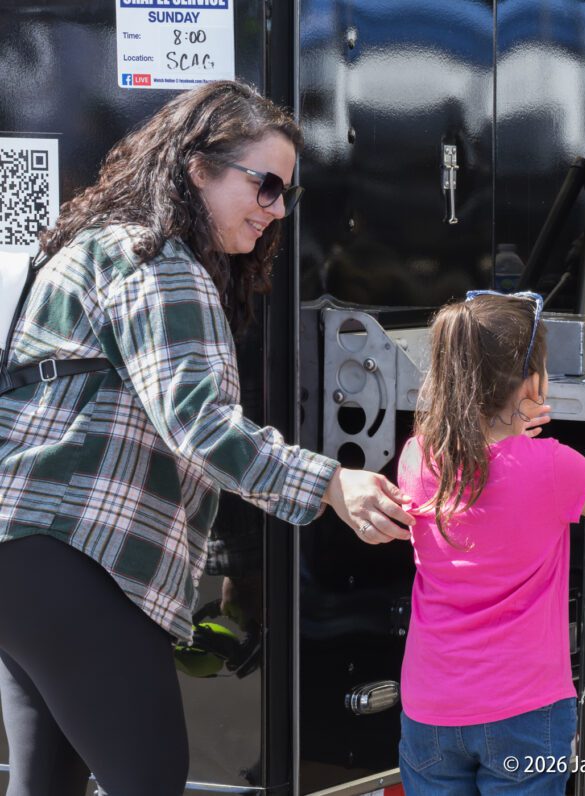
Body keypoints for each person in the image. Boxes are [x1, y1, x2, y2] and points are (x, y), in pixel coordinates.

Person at [0, 80, 415, 796]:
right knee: (150, 779)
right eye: (264, 185)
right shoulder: (158, 263)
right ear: (197, 167)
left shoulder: (101, 246)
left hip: (25, 554)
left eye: (286, 194)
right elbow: (198, 424)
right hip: (67, 553)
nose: (275, 209)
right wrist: (329, 481)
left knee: (49, 781)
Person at [395, 290, 585, 794]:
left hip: (429, 706)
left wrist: (509, 433)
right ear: (532, 382)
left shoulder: (417, 457)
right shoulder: (552, 466)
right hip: (523, 709)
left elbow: (482, 470)